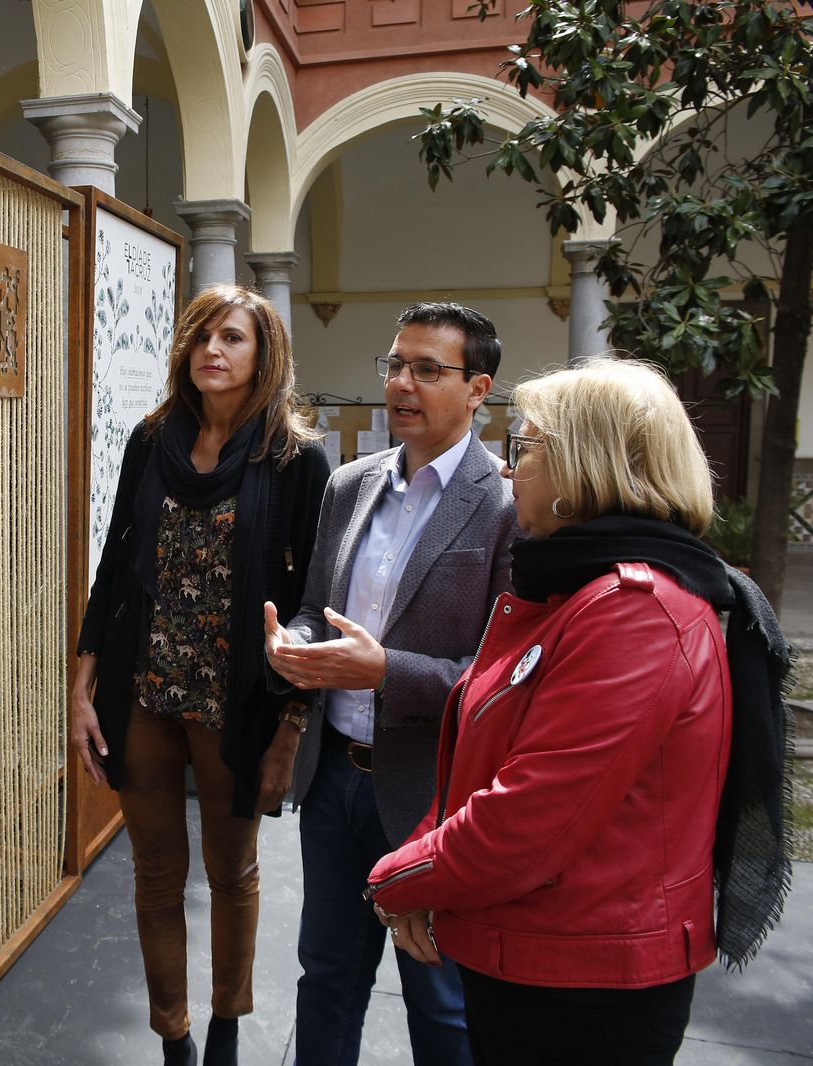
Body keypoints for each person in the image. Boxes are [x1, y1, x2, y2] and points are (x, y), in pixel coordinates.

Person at [364, 359, 794, 1066]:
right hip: (538, 955)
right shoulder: (571, 591)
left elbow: (530, 817)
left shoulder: (634, 611)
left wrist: (396, 880)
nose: (508, 472)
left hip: (585, 986)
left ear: (582, 471)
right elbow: (481, 756)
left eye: (525, 448)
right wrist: (427, 864)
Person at [71, 284, 330, 1066]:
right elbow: (116, 567)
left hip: (236, 697)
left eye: (233, 338)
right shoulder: (152, 442)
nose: (212, 350)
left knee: (231, 870)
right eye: (201, 337)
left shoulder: (295, 458)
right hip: (143, 688)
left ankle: (227, 1021)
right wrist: (82, 688)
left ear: (265, 354)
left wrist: (293, 724)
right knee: (155, 872)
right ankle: (173, 1033)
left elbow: (316, 598)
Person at [265, 302, 516, 1066]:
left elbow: (505, 680)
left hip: (435, 795)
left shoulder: (505, 505)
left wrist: (387, 672)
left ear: (479, 389)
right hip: (335, 777)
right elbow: (317, 607)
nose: (402, 383)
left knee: (440, 1005)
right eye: (395, 365)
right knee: (328, 978)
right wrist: (295, 644)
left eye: (427, 370)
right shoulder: (349, 485)